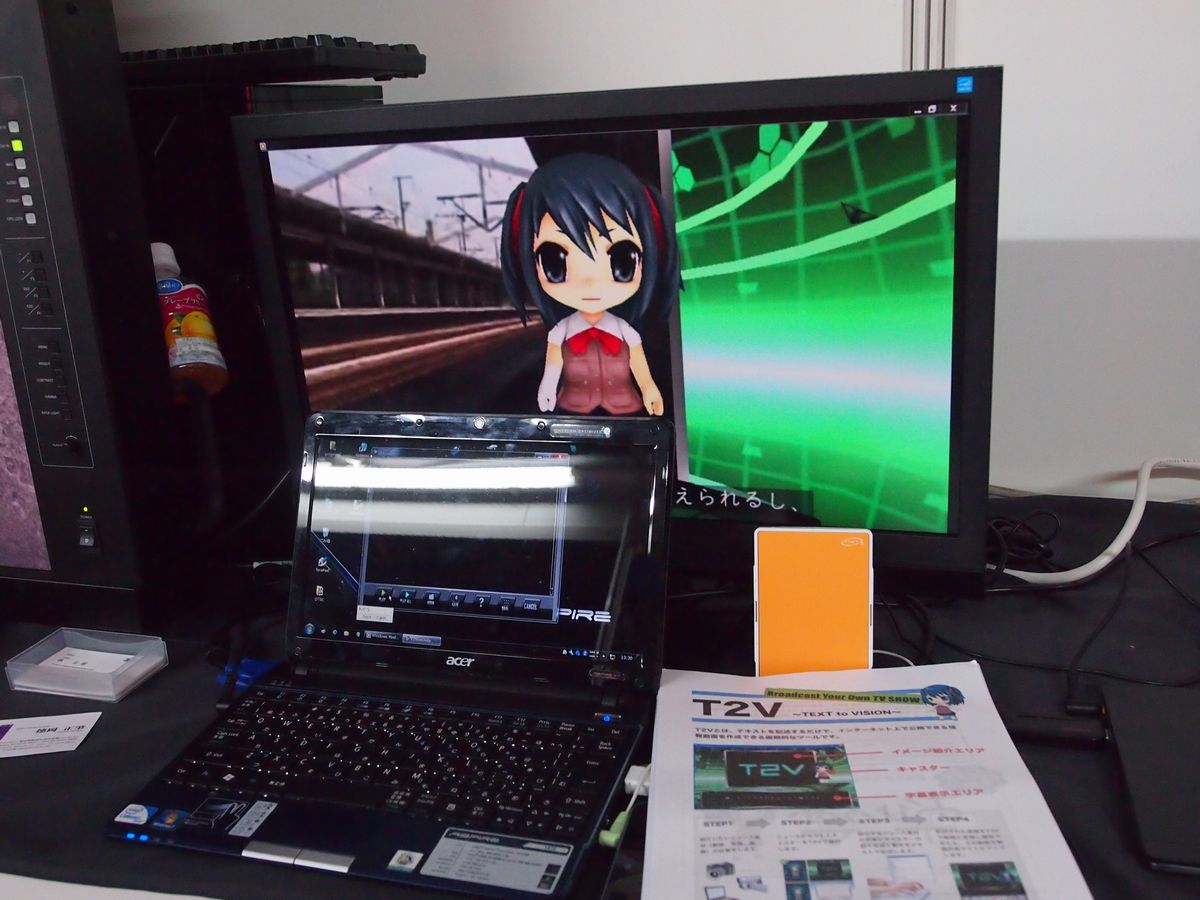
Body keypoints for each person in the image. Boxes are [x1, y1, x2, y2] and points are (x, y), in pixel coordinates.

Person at [500, 153, 679, 415]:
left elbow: (638, 363)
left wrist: (649, 388)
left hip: (625, 408)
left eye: (622, 260)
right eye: (554, 262)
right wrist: (547, 388)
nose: (589, 283)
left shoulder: (623, 329)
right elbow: (553, 365)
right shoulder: (561, 331)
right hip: (572, 408)